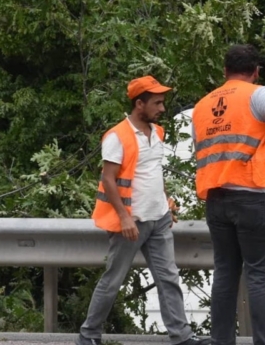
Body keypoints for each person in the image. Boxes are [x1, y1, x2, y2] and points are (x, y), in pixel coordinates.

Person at [77, 76, 210, 345]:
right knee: (113, 281)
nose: (162, 108)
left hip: (158, 219)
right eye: (157, 103)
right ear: (140, 104)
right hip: (132, 223)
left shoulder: (157, 133)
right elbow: (108, 180)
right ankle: (88, 335)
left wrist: (167, 203)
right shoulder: (117, 136)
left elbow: (152, 173)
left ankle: (181, 337)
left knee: (168, 279)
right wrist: (125, 218)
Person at [192, 45, 265, 345]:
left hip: (217, 198)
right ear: (256, 71)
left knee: (226, 274)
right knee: (258, 278)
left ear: (224, 71)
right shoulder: (257, 94)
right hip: (255, 196)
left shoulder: (203, 105)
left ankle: (221, 342)